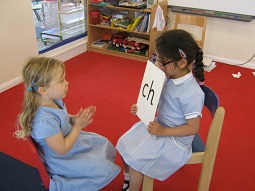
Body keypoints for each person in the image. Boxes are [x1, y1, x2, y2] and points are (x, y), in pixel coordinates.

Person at [116, 29, 205, 191]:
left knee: (136, 161)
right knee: (123, 143)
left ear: (182, 63)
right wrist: (142, 106)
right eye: (156, 58)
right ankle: (128, 179)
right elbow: (156, 98)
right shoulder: (168, 76)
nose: (157, 64)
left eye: (162, 61)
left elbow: (193, 128)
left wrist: (163, 131)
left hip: (174, 140)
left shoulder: (192, 93)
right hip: (160, 126)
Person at [15, 56, 120, 191]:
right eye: (61, 81)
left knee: (102, 142)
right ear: (43, 90)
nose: (67, 83)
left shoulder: (52, 100)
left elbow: (63, 118)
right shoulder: (44, 121)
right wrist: (77, 127)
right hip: (63, 159)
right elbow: (62, 150)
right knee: (101, 168)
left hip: (67, 140)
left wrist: (75, 118)